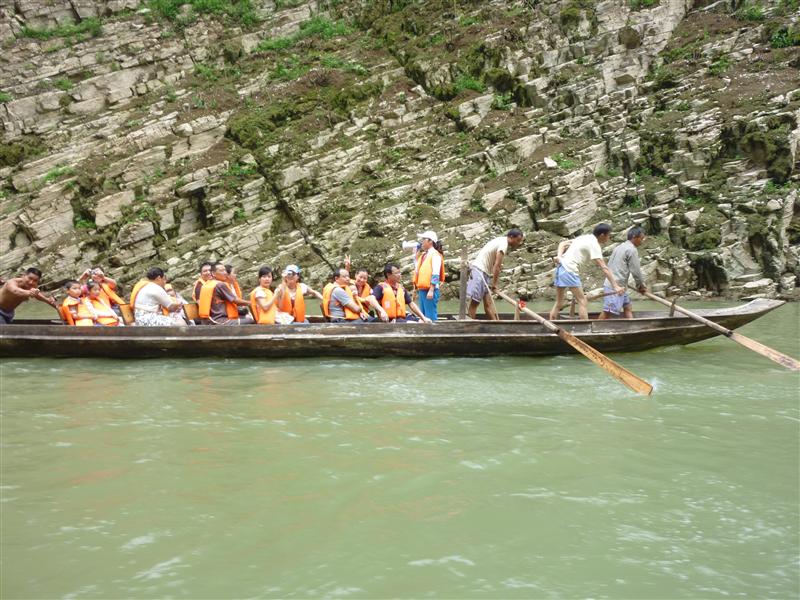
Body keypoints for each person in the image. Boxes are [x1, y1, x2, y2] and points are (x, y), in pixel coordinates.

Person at [549, 223, 624, 321]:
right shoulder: (594, 245)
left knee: (559, 303)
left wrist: (559, 256)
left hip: (561, 268)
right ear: (602, 235)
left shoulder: (584, 238)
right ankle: (585, 327)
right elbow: (604, 268)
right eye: (608, 235)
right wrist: (615, 286)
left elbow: (562, 244)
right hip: (569, 270)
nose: (609, 238)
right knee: (582, 301)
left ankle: (551, 325)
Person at [467, 228, 524, 320]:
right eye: (517, 240)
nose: (518, 243)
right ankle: (468, 329)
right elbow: (497, 266)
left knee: (488, 304)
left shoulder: (501, 241)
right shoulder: (503, 245)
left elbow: (495, 263)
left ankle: (497, 325)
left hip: (484, 273)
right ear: (511, 237)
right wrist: (494, 284)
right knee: (474, 304)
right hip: (479, 271)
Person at [600, 226, 648, 320]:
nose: (642, 241)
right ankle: (594, 328)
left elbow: (609, 265)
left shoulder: (619, 247)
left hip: (619, 285)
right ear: (634, 237)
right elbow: (636, 271)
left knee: (627, 307)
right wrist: (641, 286)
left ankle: (632, 327)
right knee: (608, 312)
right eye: (641, 238)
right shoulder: (631, 250)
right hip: (615, 286)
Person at [343, 256, 389, 321]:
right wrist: (347, 267)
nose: (362, 280)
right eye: (360, 277)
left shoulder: (368, 287)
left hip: (365, 314)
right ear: (356, 275)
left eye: (365, 278)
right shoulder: (350, 283)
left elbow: (374, 298)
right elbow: (344, 278)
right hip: (353, 313)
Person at [413, 230, 445, 322]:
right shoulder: (424, 255)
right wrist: (416, 255)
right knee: (423, 316)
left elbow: (436, 273)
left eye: (424, 239)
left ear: (430, 241)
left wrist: (431, 289)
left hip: (430, 289)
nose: (422, 241)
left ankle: (434, 334)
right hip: (423, 289)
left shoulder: (435, 255)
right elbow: (417, 269)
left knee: (430, 316)